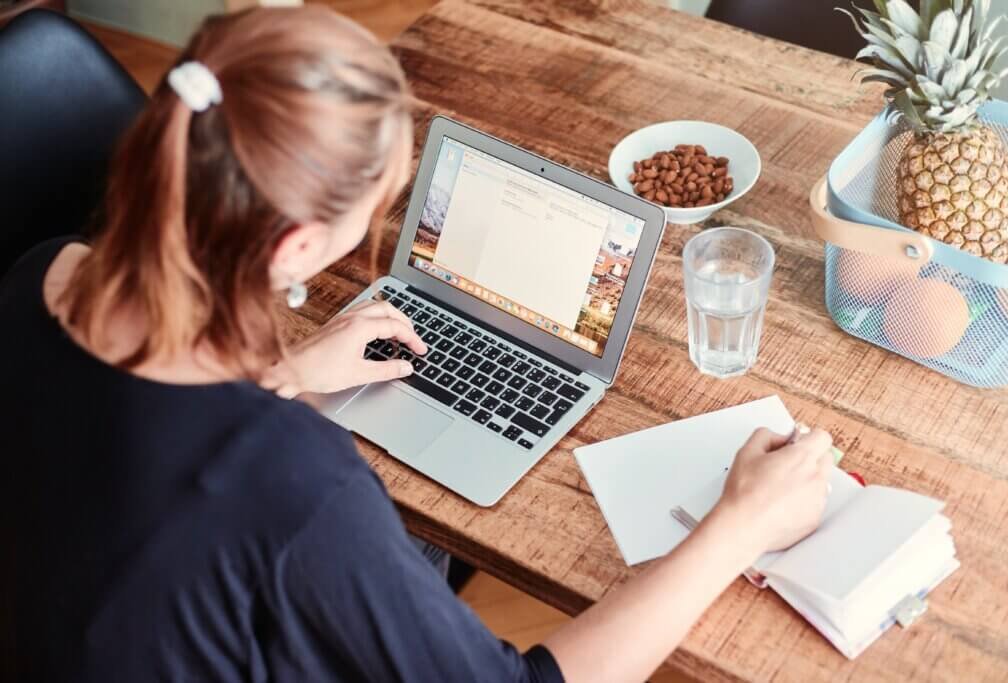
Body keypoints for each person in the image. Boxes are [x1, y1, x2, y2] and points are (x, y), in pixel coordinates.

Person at [0, 6, 833, 682]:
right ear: (294, 250)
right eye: (376, 208)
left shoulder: (44, 276)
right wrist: (738, 522)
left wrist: (283, 373)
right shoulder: (305, 488)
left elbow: (145, 440)